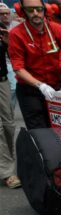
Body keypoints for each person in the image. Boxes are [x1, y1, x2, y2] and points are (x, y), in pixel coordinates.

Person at [9, 0, 61, 130]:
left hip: (54, 88)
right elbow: (18, 68)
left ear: (45, 9)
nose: (35, 13)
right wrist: (40, 85)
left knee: (60, 128)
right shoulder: (16, 34)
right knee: (40, 132)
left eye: (39, 9)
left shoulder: (55, 29)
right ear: (23, 12)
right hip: (30, 90)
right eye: (30, 10)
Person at [0, 6, 19, 189]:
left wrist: (6, 43)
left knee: (9, 125)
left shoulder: (2, 29)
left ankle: (9, 162)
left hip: (3, 79)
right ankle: (7, 173)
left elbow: (9, 55)